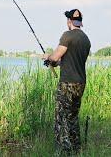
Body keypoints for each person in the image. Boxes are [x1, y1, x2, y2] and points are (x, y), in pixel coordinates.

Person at [42, 9, 91, 153]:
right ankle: (76, 149)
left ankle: (63, 151)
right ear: (80, 22)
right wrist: (54, 63)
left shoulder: (67, 36)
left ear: (69, 21)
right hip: (80, 83)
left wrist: (47, 57)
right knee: (72, 117)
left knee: (61, 117)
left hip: (67, 83)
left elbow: (56, 57)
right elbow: (67, 60)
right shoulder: (85, 39)